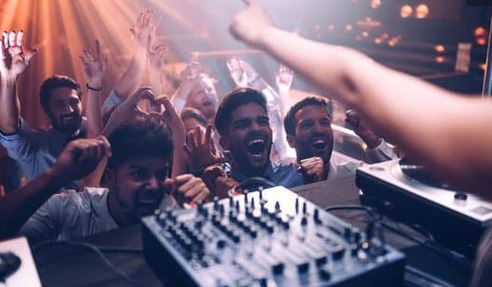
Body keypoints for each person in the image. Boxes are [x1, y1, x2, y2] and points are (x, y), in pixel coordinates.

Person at [228, 0, 491, 195]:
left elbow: (353, 82)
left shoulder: (352, 171)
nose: (320, 128)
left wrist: (262, 33)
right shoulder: (283, 175)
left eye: (324, 121)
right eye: (307, 125)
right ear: (291, 139)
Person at [7, 119, 210, 244]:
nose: (154, 185)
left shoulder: (175, 212)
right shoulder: (72, 210)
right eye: (139, 174)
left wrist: (201, 215)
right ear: (110, 178)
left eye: (160, 174)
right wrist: (56, 176)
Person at [0, 31, 106, 189]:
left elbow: (120, 97)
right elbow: (10, 126)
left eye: (73, 101)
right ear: (46, 109)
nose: (69, 109)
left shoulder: (97, 124)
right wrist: (10, 78)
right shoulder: (36, 146)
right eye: (59, 104)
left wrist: (95, 83)